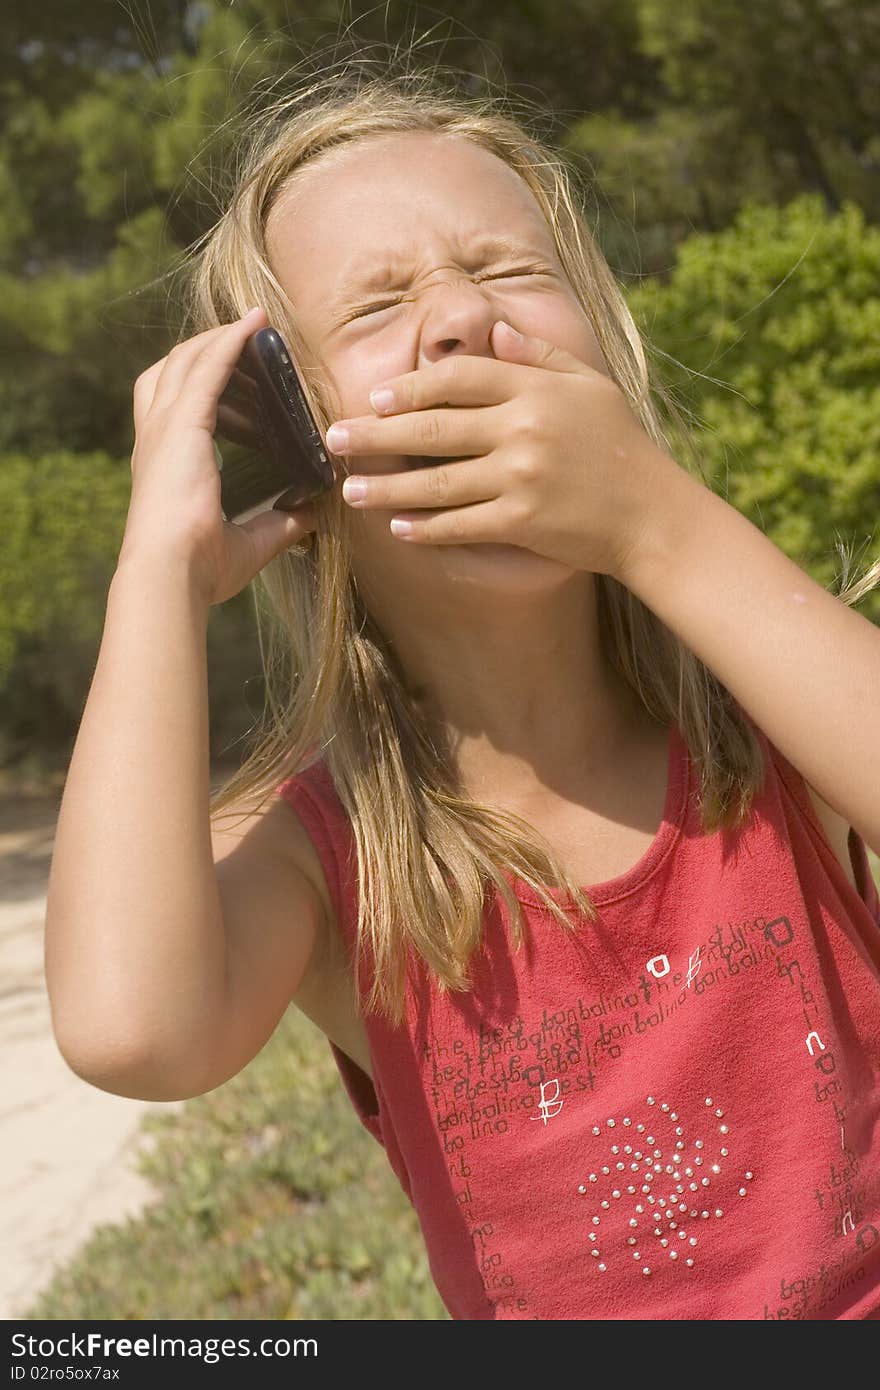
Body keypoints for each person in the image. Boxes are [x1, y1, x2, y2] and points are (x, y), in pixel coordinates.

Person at [44, 69, 880, 1321]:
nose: (459, 320)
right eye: (378, 303)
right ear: (293, 444)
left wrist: (656, 523)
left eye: (511, 272)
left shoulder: (777, 720)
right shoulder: (323, 862)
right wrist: (156, 576)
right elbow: (133, 1029)